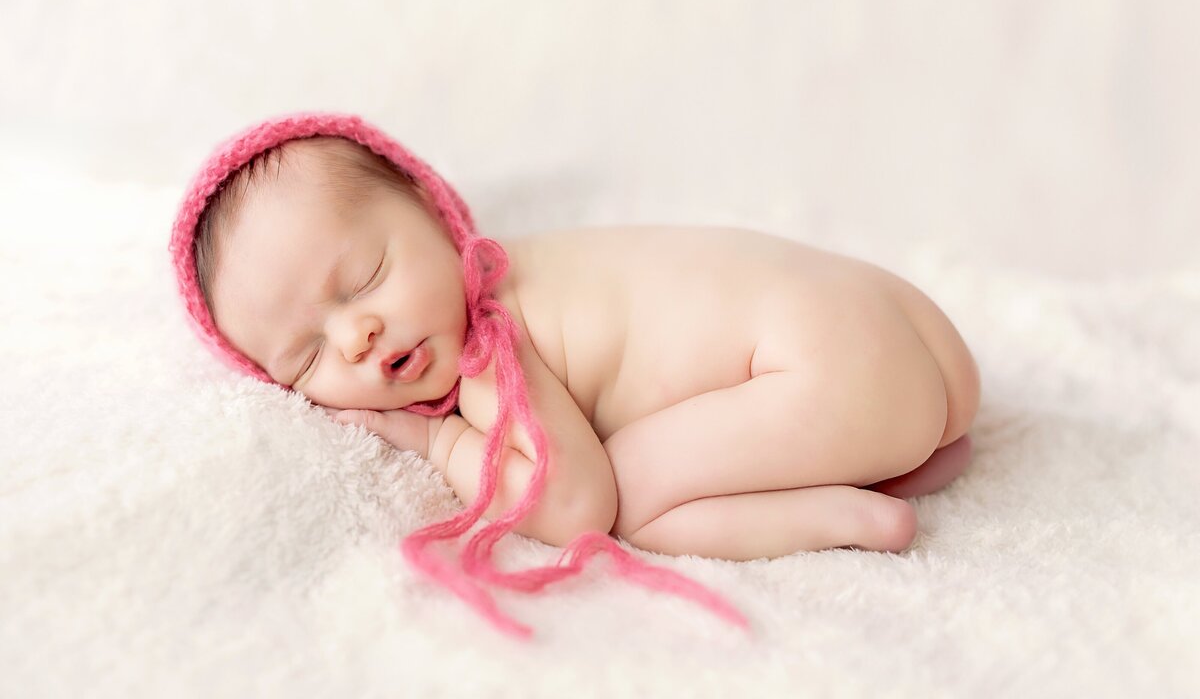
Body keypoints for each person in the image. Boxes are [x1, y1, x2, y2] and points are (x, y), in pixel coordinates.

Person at [170, 112, 979, 638]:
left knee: (626, 496)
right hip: (909, 335)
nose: (355, 334)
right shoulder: (548, 261)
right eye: (307, 356)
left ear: (432, 207)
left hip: (836, 371)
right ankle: (904, 452)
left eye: (367, 276)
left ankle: (859, 516)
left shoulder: (490, 347)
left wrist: (436, 436)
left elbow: (572, 502)